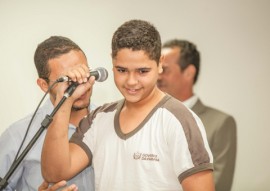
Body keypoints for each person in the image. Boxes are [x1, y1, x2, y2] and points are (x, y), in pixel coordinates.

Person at [41, 19, 215, 191]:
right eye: (122, 70)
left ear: (160, 64)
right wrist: (65, 99)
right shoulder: (98, 119)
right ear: (112, 62)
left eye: (142, 71)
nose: (131, 81)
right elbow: (54, 173)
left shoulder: (180, 120)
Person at [0, 36, 95, 190]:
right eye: (68, 80)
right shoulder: (18, 135)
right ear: (44, 85)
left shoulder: (109, 120)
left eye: (84, 73)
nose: (80, 84)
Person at [157, 39, 237, 191]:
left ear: (189, 73)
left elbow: (219, 185)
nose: (158, 76)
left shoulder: (220, 123)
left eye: (165, 70)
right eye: (157, 69)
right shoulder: (148, 118)